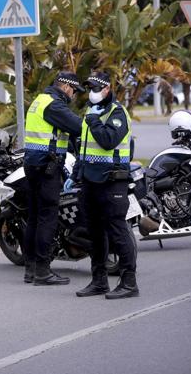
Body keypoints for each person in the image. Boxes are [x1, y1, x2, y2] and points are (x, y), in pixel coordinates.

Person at [66, 72, 138, 299]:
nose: (92, 93)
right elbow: (85, 148)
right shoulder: (91, 111)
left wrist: (95, 121)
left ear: (107, 89)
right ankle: (99, 281)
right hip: (90, 181)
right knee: (95, 234)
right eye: (89, 88)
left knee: (118, 231)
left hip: (112, 181)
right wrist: (76, 173)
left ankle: (129, 283)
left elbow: (108, 141)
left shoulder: (117, 113)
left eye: (96, 88)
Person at [23, 72, 84, 285]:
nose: (74, 95)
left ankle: (30, 270)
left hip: (32, 164)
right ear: (66, 86)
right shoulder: (54, 106)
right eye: (75, 90)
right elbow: (79, 127)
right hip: (46, 167)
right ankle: (42, 271)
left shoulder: (40, 100)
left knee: (34, 217)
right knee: (47, 218)